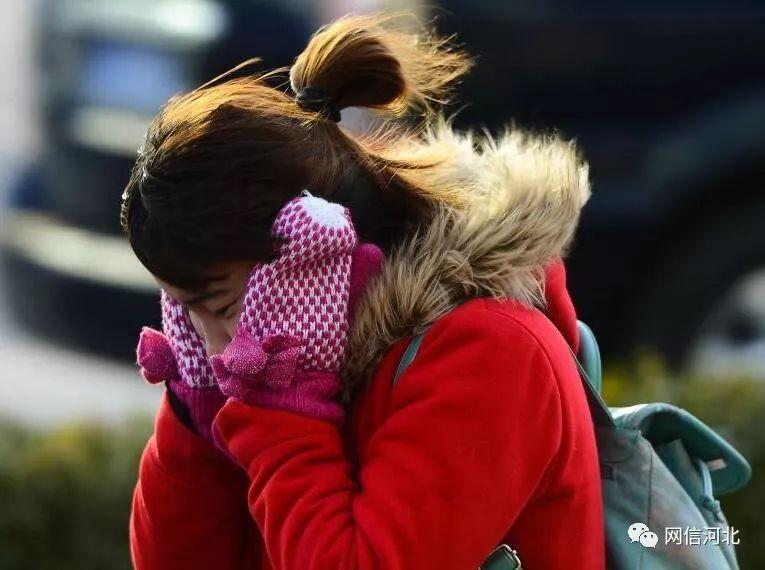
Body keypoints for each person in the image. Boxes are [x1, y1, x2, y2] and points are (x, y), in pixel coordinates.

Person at [122, 13, 604, 570]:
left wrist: (284, 410)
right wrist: (200, 415)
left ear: (314, 254)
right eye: (186, 313)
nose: (216, 350)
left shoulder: (492, 354)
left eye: (225, 307)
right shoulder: (297, 365)